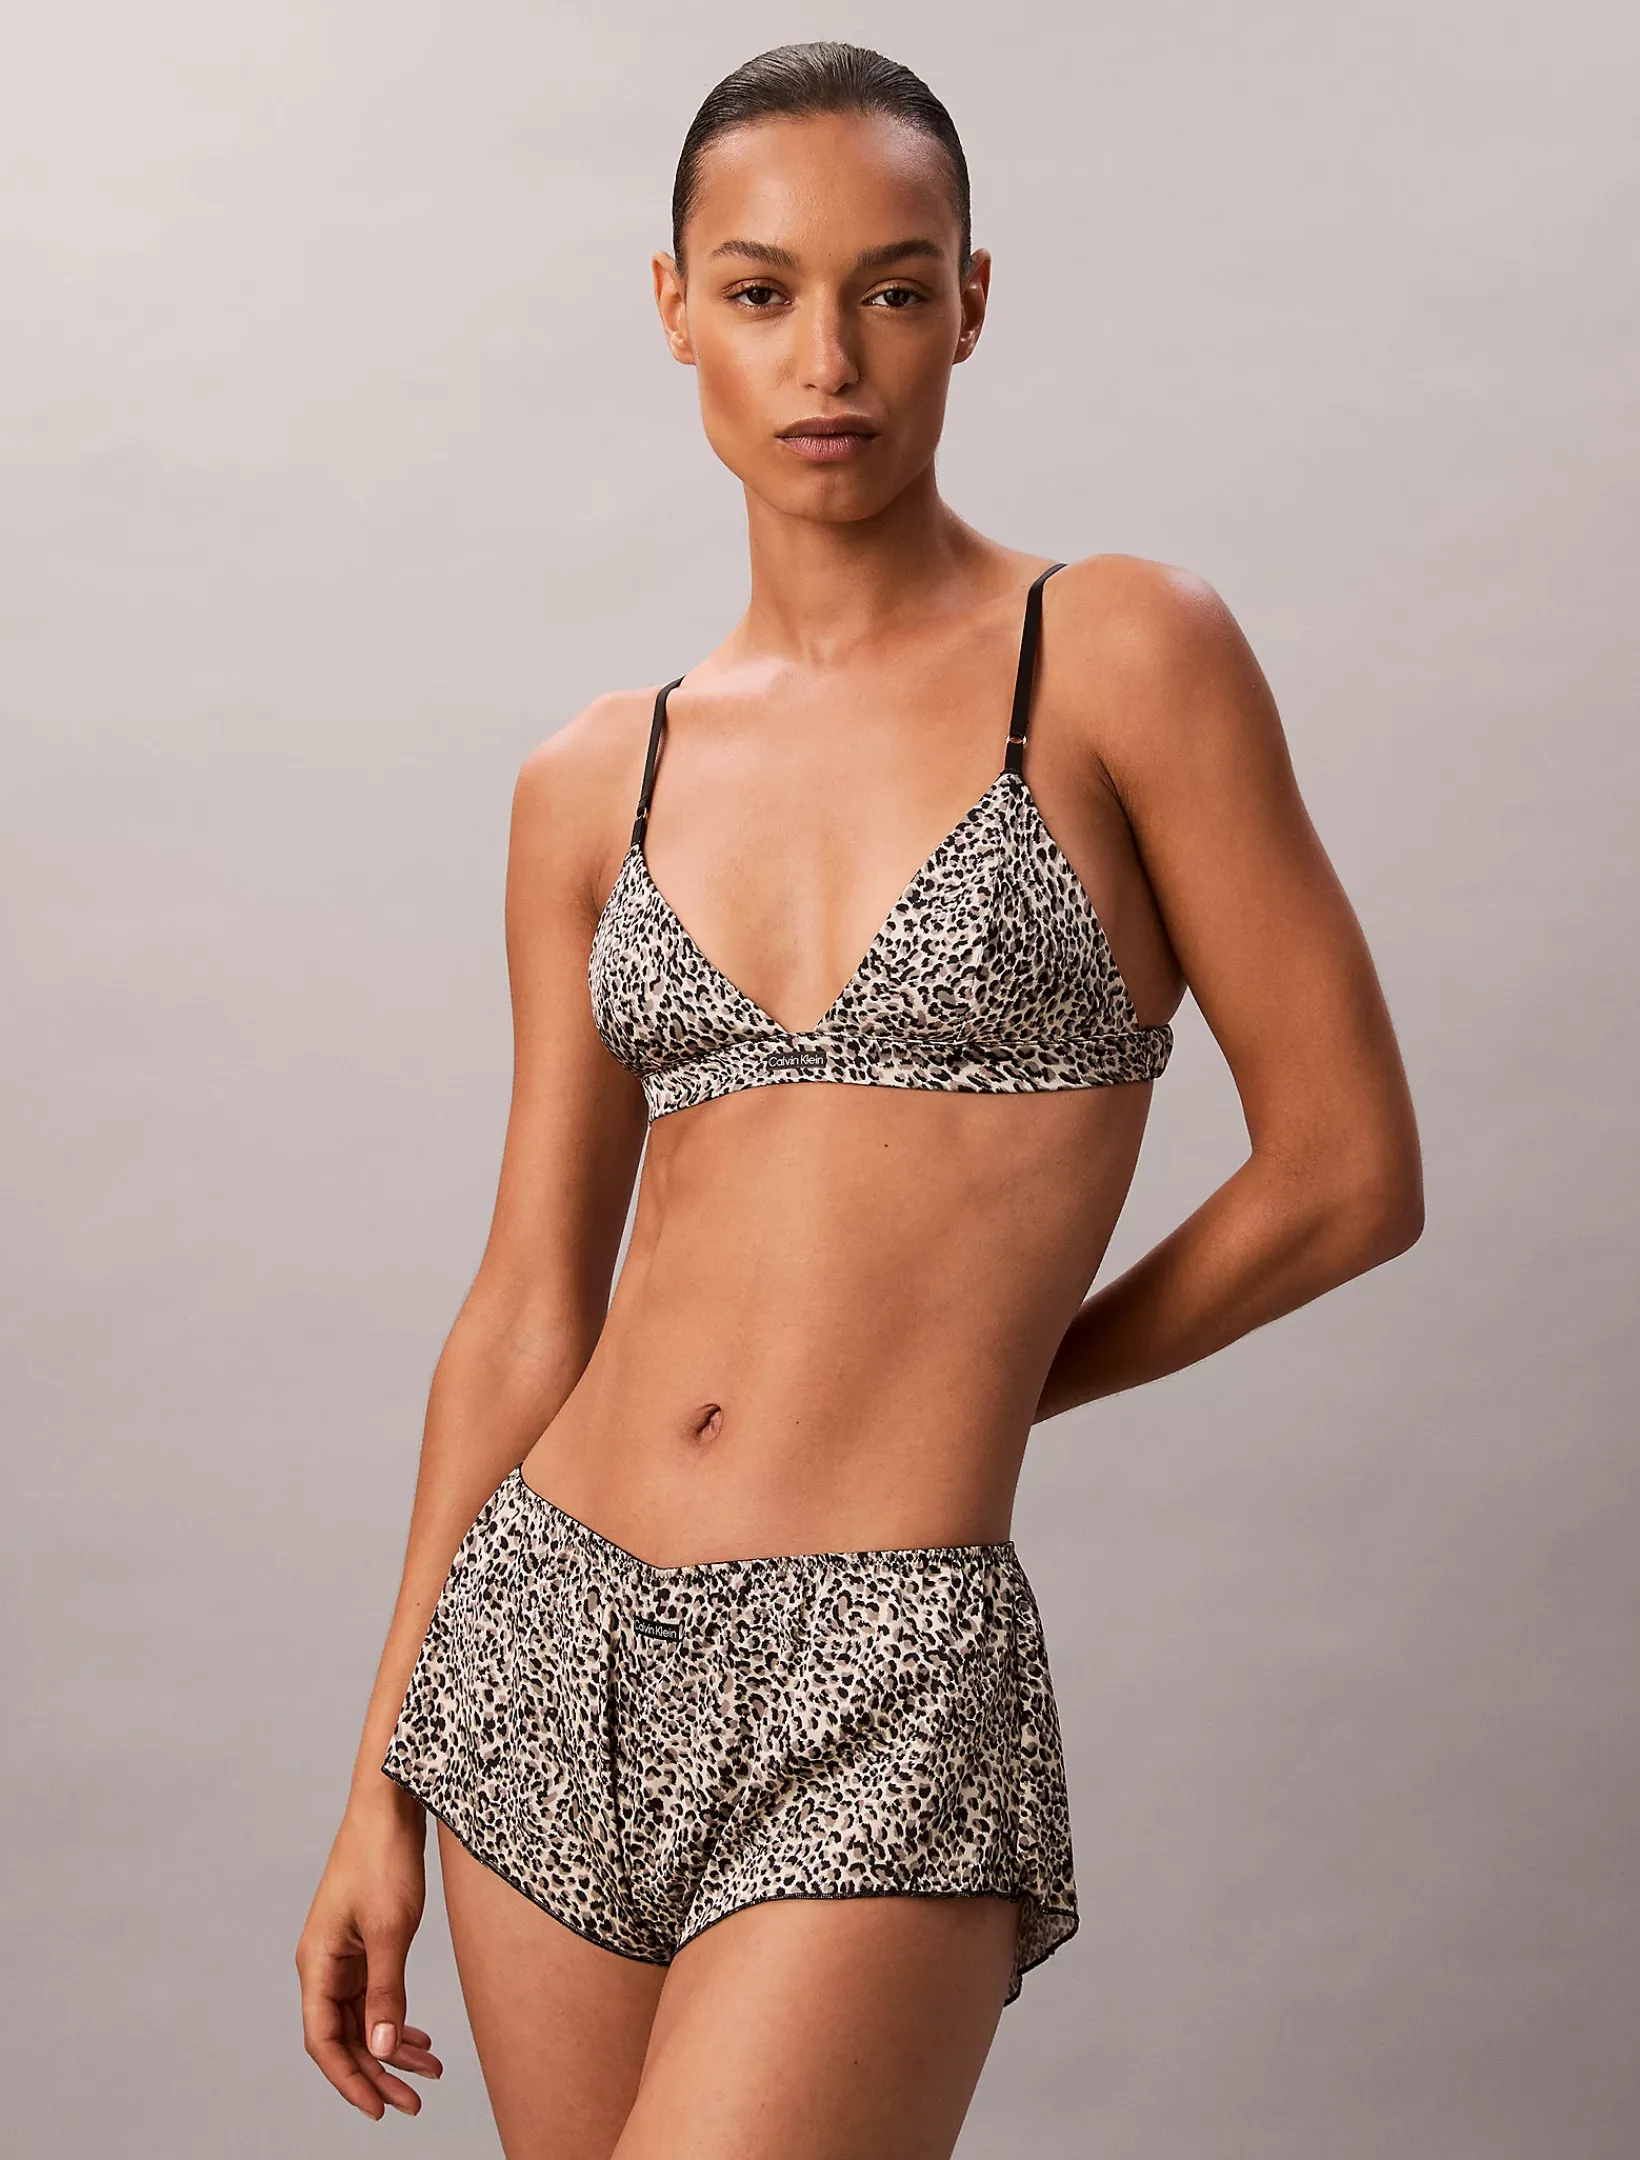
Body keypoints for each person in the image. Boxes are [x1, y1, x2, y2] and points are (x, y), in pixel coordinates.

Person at [295, 39, 1423, 2160]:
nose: (829, 359)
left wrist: (1009, 1380)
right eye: (761, 291)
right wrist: (375, 1784)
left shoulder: (1117, 656)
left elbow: (1350, 1173)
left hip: (885, 1658)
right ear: (674, 310)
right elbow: (525, 1307)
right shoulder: (593, 780)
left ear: (969, 304)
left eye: (892, 290)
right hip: (543, 1635)